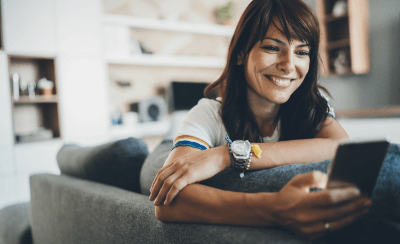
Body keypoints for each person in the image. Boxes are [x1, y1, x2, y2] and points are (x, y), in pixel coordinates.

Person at [149, 0, 371, 240]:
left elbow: (339, 146)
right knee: (149, 164)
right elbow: (167, 203)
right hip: (166, 152)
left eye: (301, 52)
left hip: (215, 150)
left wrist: (227, 155)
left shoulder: (313, 104)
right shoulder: (209, 113)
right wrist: (275, 208)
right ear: (242, 53)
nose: (288, 65)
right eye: (273, 48)